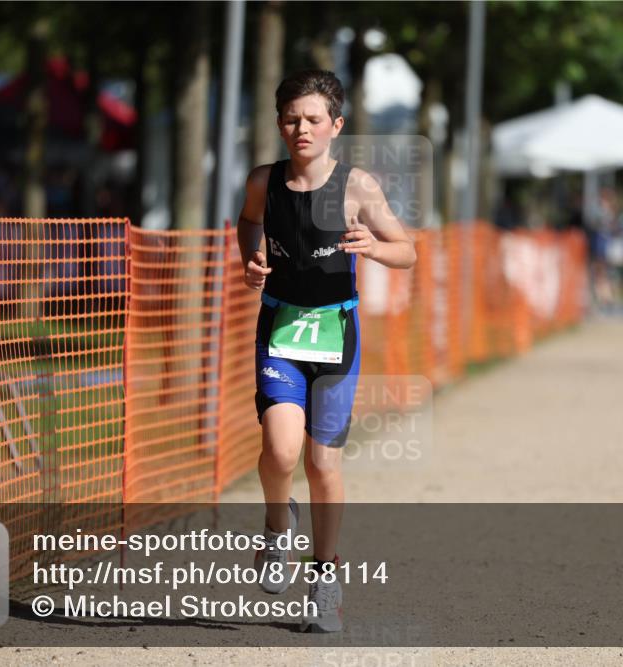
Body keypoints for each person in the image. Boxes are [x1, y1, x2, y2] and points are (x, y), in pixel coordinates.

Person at [235, 70, 416, 632]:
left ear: (336, 126)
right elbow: (248, 222)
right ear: (278, 124)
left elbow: (407, 250)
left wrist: (376, 248)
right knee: (280, 451)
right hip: (281, 328)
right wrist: (251, 259)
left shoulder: (357, 186)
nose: (302, 129)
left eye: (314, 119)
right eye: (292, 119)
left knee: (321, 463)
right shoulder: (263, 181)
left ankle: (325, 578)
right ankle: (276, 527)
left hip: (337, 334)